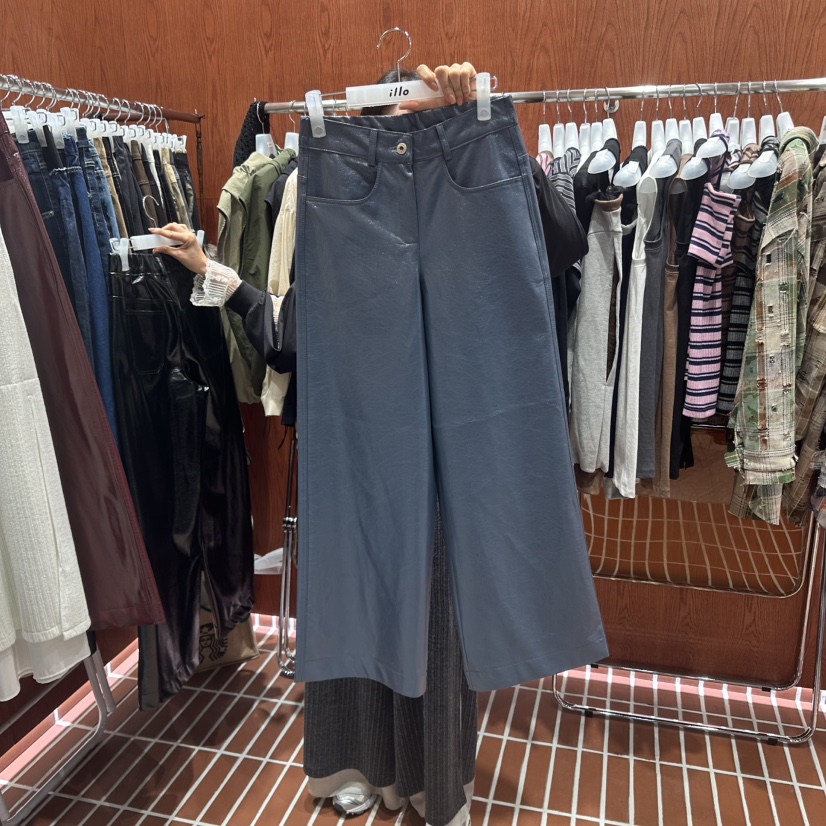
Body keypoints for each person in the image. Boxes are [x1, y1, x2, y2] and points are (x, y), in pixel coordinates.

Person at [153, 63, 482, 826]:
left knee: (433, 623)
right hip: (350, 459)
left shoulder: (472, 200)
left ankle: (435, 781)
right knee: (353, 609)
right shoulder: (343, 218)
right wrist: (210, 271)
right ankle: (356, 765)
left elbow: (557, 244)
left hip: (440, 469)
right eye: (392, 128)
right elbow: (286, 332)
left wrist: (476, 130)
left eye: (422, 125)